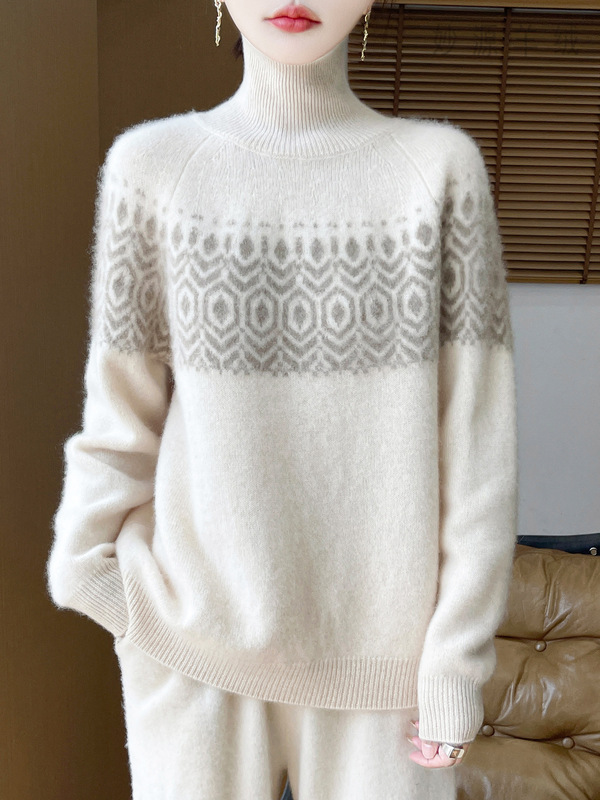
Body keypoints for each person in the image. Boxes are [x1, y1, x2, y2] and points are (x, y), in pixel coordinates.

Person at [45, 1, 518, 798]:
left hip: (390, 675)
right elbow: (121, 414)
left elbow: (477, 451)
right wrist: (85, 571)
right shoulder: (153, 167)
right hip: (192, 651)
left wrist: (454, 665)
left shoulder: (438, 171)